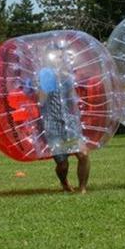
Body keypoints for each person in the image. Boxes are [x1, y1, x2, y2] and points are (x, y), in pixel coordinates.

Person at [38, 42, 89, 193]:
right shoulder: (45, 74)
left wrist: (67, 79)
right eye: (57, 57)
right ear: (49, 59)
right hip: (52, 123)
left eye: (62, 57)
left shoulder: (67, 75)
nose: (60, 60)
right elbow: (41, 100)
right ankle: (64, 182)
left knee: (83, 154)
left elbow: (73, 99)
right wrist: (47, 83)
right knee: (62, 163)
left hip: (70, 121)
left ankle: (83, 188)